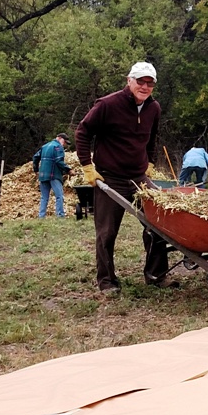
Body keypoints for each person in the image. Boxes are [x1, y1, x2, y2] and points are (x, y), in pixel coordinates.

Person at [74, 62, 171, 293]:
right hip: (110, 177)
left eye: (150, 83)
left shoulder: (153, 108)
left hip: (138, 176)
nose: (145, 87)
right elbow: (83, 132)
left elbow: (152, 137)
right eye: (140, 81)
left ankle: (156, 275)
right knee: (106, 232)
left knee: (159, 223)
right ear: (129, 80)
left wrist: (149, 161)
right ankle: (106, 281)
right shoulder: (107, 104)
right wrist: (88, 167)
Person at [32, 133, 71, 218]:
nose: (64, 145)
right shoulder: (58, 147)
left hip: (43, 175)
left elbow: (35, 157)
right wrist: (68, 170)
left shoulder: (45, 146)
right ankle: (60, 215)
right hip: (54, 175)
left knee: (44, 197)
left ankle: (41, 216)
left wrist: (36, 170)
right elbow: (58, 161)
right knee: (59, 196)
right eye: (64, 142)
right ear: (60, 138)